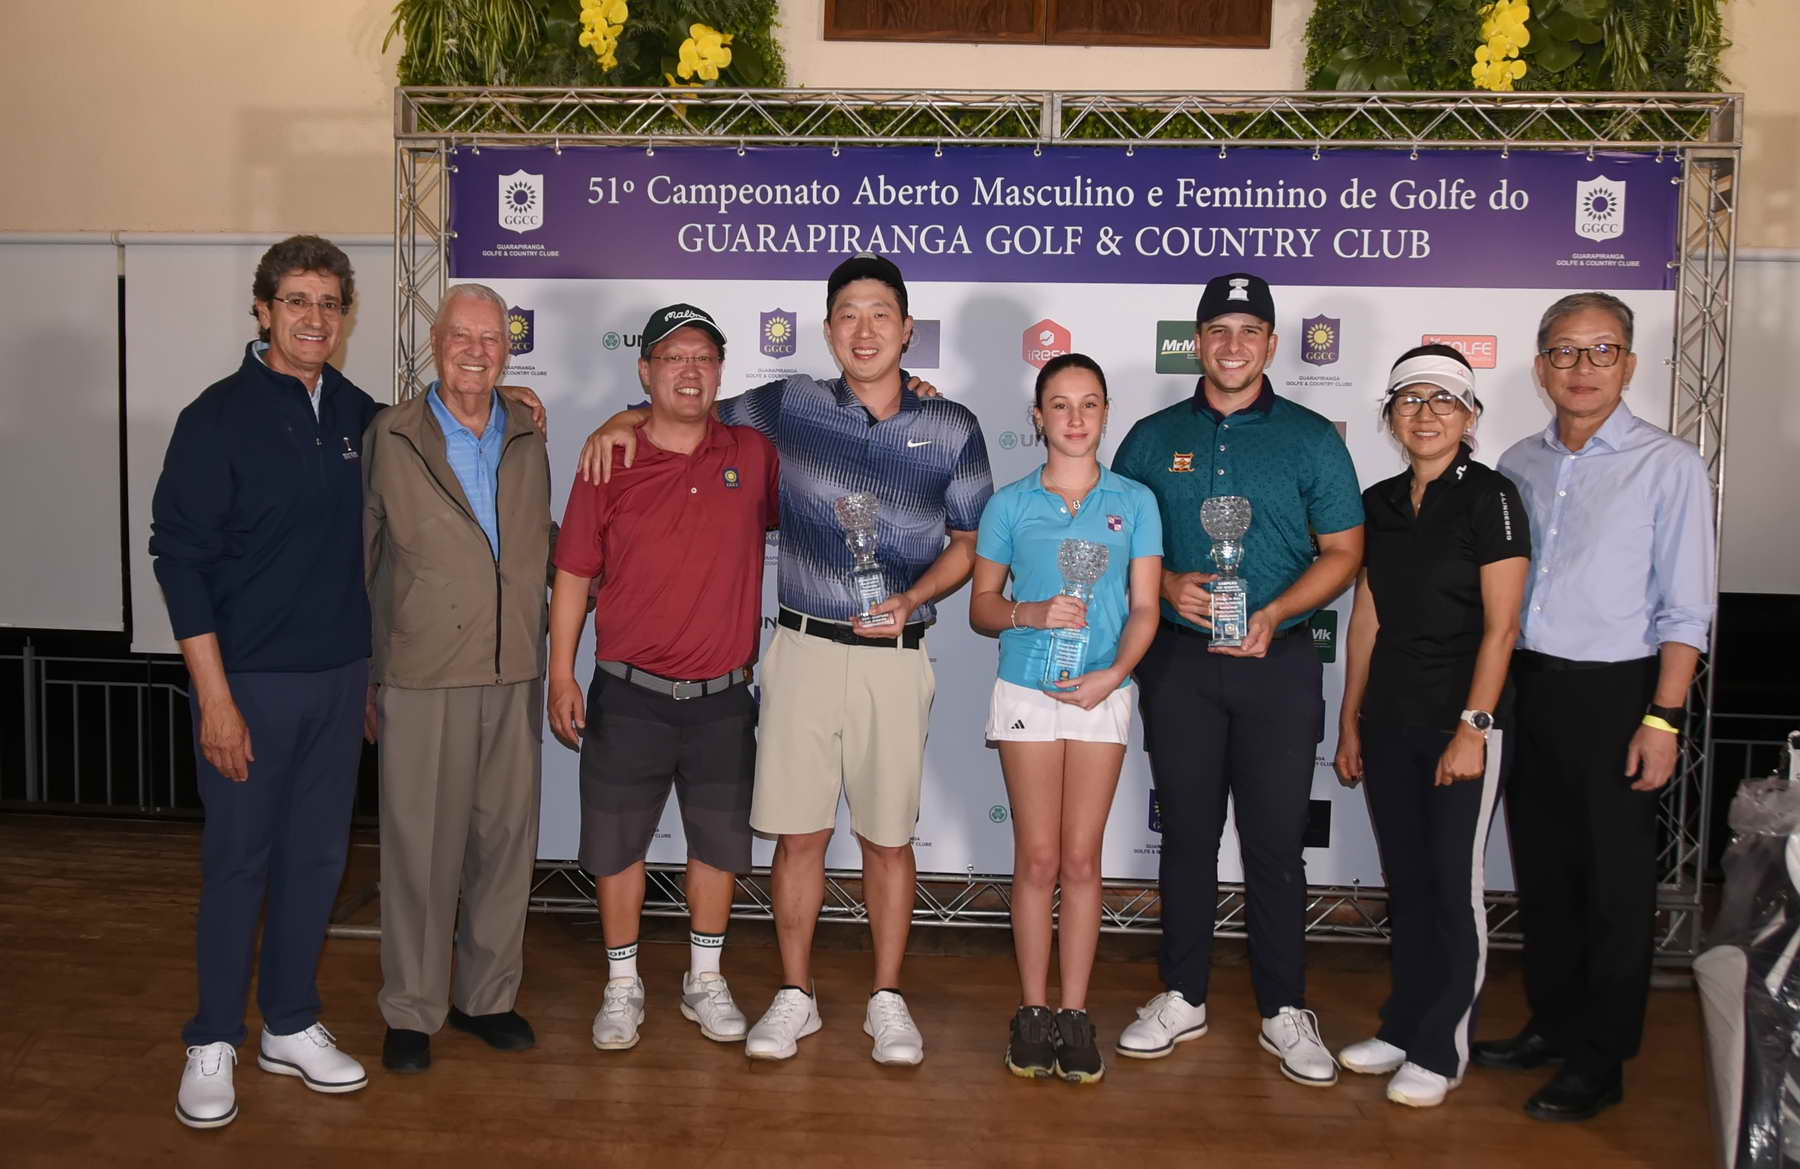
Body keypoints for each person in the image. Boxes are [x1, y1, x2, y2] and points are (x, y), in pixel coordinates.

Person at [577, 254, 993, 1065]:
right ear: (829, 331)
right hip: (801, 649)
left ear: (908, 329)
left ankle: (886, 999)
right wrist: (615, 421)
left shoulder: (953, 425)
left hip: (895, 654)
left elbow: (971, 541)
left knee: (887, 840)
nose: (864, 330)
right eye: (848, 316)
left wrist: (912, 597)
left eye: (880, 314)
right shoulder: (789, 403)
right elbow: (685, 409)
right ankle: (796, 994)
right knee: (798, 837)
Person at [1110, 271, 1364, 1087]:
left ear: (1272, 345)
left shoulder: (1312, 438)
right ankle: (1182, 993)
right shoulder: (1150, 438)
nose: (1232, 345)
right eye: (1218, 329)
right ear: (1197, 341)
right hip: (1180, 660)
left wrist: (1278, 610)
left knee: (1276, 842)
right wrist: (1166, 581)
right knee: (1187, 835)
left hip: (1279, 661)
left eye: (1249, 331)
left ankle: (1284, 1007)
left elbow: (1345, 551)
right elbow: (1116, 541)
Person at [151, 235, 381, 1127]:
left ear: (344, 315)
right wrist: (214, 698)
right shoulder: (215, 417)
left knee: (317, 861)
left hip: (340, 681)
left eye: (329, 302)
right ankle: (213, 1038)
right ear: (262, 310)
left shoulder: (358, 412)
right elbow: (180, 562)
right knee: (238, 864)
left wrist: (514, 398)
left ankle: (289, 1021)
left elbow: (439, 432)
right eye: (296, 300)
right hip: (246, 683)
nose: (314, 318)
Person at [1475, 292, 1716, 1121]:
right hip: (1529, 685)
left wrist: (1664, 717)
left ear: (1630, 364)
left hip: (1619, 692)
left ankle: (1601, 1057)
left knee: (1614, 885)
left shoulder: (1668, 464)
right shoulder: (1518, 462)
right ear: (1541, 366)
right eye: (1566, 352)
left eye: (1602, 350)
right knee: (1544, 872)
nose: (1583, 367)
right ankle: (1553, 1023)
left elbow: (1688, 608)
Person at [547, 304, 778, 1053]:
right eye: (672, 357)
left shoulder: (753, 453)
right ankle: (622, 983)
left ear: (720, 372)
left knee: (717, 846)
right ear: (644, 370)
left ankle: (703, 978)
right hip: (629, 692)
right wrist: (560, 673)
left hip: (722, 697)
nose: (689, 370)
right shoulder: (606, 460)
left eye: (703, 357)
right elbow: (574, 572)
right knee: (618, 847)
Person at [1332, 344, 1530, 1108]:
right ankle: (1405, 1024)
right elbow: (1366, 618)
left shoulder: (1493, 497)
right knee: (1408, 883)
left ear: (1470, 415)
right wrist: (1351, 719)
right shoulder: (1379, 502)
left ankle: (1442, 1046)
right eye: (1411, 399)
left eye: (1444, 399)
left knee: (1453, 884)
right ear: (1390, 416)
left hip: (1462, 724)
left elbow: (1502, 628)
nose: (1426, 413)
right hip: (1390, 719)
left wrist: (1472, 728)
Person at [362, 283, 554, 1074]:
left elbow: (535, 539)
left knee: (504, 844)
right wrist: (366, 674)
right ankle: (412, 1006)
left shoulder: (528, 432)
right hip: (424, 673)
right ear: (435, 342)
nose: (476, 352)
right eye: (461, 337)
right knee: (420, 850)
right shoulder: (390, 435)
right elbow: (362, 557)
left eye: (491, 339)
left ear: (508, 350)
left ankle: (487, 997)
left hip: (514, 672)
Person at [968, 353, 1162, 1084]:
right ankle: (1032, 1009)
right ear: (1038, 418)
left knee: (1082, 860)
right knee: (1038, 858)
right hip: (1026, 690)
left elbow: (1146, 606)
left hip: (1102, 690)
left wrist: (1115, 674)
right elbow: (982, 606)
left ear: (1106, 413)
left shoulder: (1135, 501)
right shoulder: (1008, 504)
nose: (1075, 418)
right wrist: (1031, 612)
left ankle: (1074, 1013)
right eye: (1060, 404)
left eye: (1088, 404)